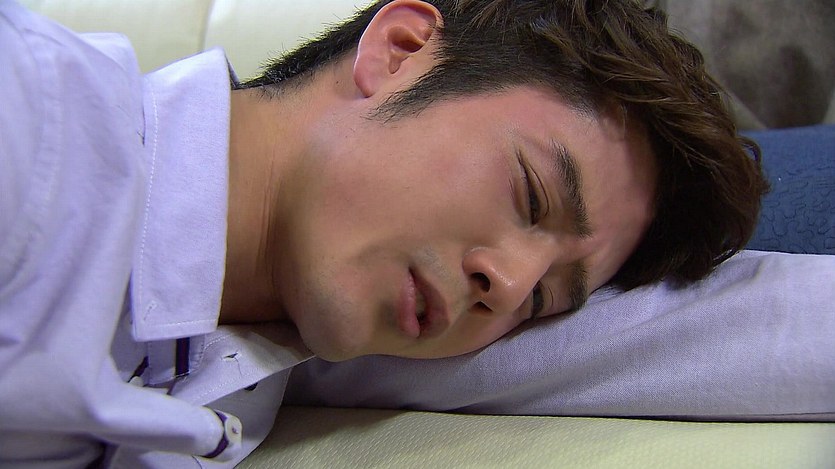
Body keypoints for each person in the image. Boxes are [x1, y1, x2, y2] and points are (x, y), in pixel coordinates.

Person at [0, 0, 768, 466]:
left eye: (541, 300)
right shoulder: (32, 119)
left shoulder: (253, 371)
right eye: (530, 194)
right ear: (397, 52)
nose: (506, 287)